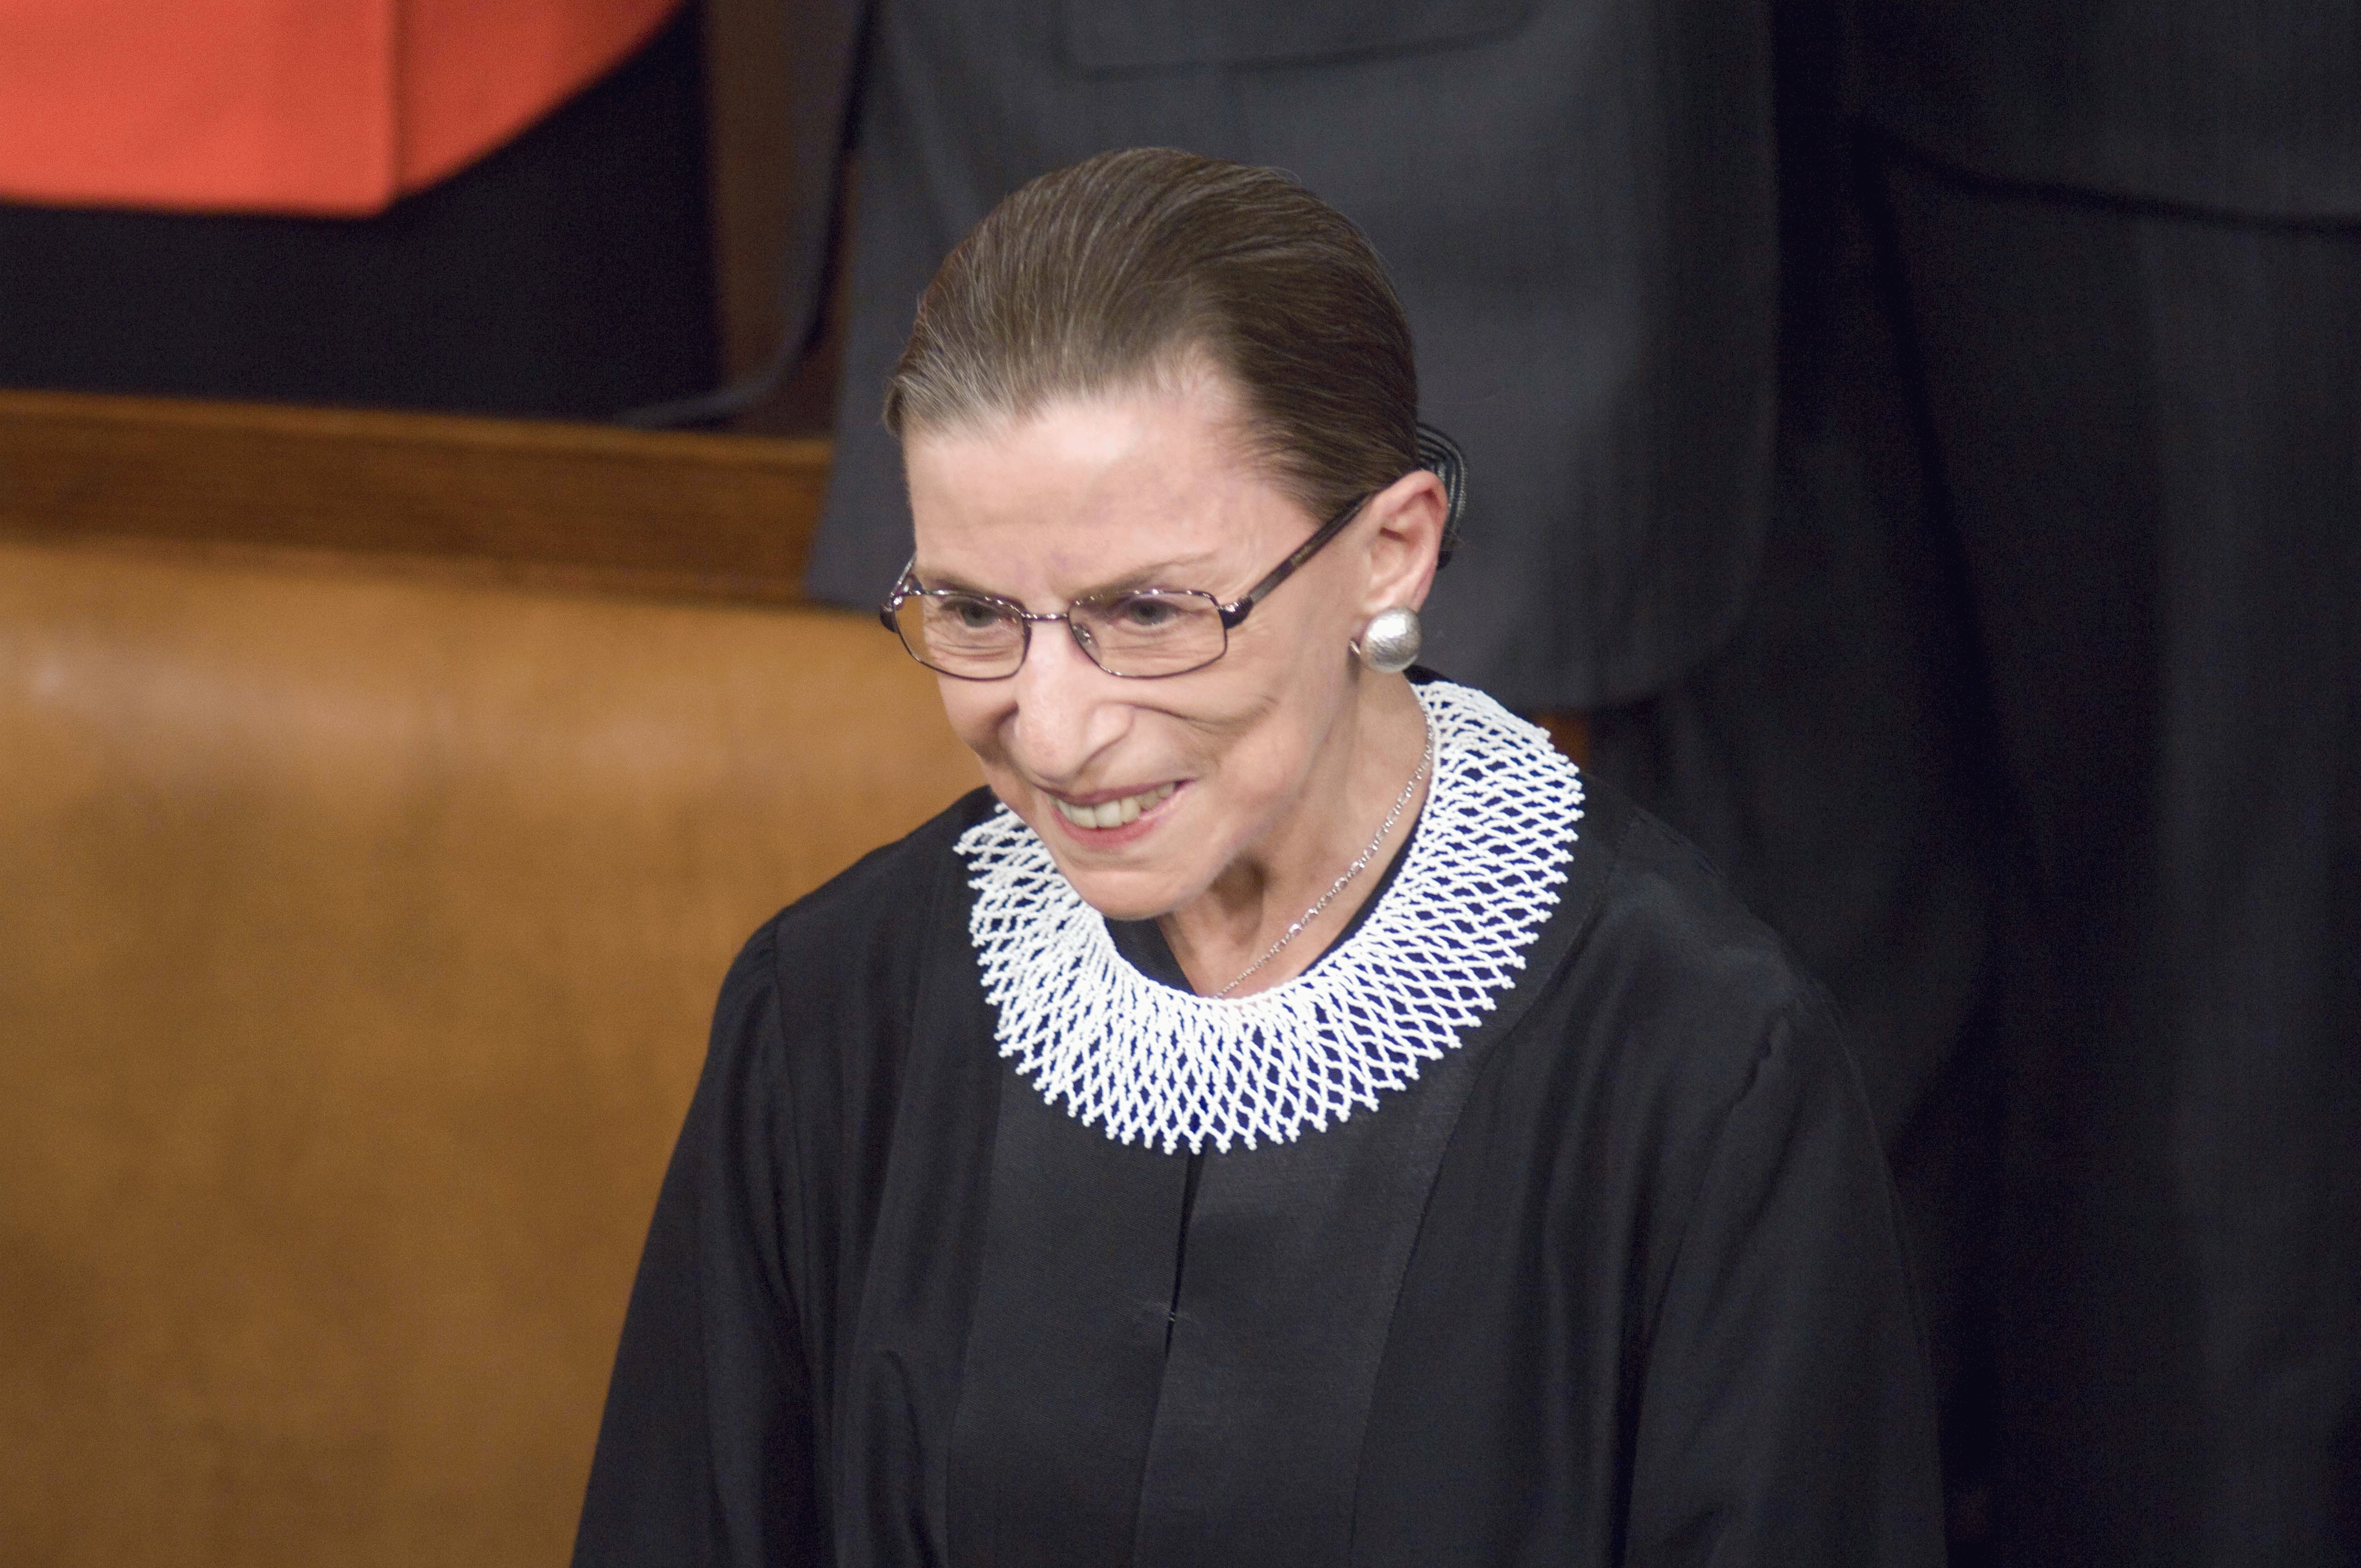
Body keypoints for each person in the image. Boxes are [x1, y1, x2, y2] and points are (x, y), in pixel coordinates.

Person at [572, 148, 1946, 1567]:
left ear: (1391, 553)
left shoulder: (1698, 1066)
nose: (1050, 727)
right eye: (976, 613)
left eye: (1151, 611)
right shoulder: (830, 1014)